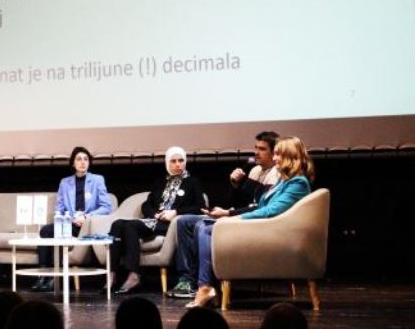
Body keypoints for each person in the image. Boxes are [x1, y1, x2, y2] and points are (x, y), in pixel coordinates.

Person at [185, 136, 315, 309]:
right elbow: (258, 206)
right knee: (202, 225)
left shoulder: (298, 183)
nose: (274, 158)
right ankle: (208, 289)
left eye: (278, 154)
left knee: (207, 228)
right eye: (275, 153)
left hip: (272, 234)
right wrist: (230, 210)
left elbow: (270, 211)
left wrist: (233, 218)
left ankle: (205, 288)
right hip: (262, 228)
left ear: (291, 157)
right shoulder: (283, 181)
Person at [169, 131, 280, 298]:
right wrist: (235, 184)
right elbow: (238, 201)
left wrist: (228, 213)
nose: (256, 153)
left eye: (262, 149)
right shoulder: (255, 171)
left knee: (202, 225)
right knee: (183, 221)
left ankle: (202, 284)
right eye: (256, 148)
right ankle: (186, 279)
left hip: (249, 221)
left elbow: (258, 208)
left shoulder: (276, 174)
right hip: (236, 214)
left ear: (274, 153)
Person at [108, 146, 206, 294]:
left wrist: (175, 212)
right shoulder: (160, 182)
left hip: (171, 224)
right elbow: (146, 204)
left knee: (130, 226)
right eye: (173, 161)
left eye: (181, 161)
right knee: (117, 224)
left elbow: (200, 207)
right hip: (155, 221)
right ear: (167, 163)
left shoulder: (192, 182)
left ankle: (134, 274)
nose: (178, 164)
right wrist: (154, 214)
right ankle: (112, 273)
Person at [30, 146, 112, 292]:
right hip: (70, 223)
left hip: (88, 225)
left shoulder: (97, 180)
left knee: (57, 233)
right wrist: (69, 219)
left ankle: (53, 278)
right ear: (73, 163)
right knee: (46, 231)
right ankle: (43, 275)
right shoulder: (65, 182)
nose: (83, 162)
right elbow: (59, 209)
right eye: (79, 159)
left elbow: (106, 207)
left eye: (86, 159)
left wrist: (86, 217)